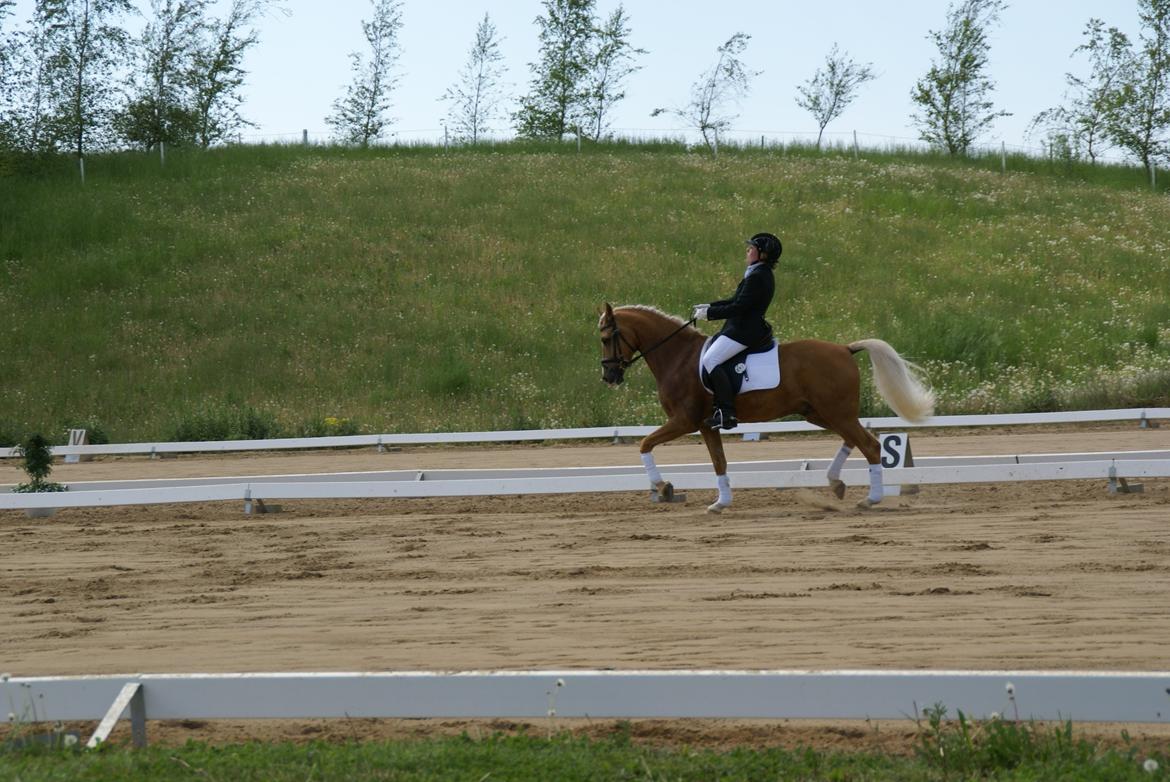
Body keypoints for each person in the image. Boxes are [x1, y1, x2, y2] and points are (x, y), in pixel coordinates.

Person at [692, 232, 782, 430]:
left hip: (744, 331)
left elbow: (738, 307)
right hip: (738, 327)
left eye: (752, 248)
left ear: (763, 255)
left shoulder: (759, 276)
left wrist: (709, 314)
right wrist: (709, 306)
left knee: (710, 360)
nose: (747, 250)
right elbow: (735, 300)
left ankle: (726, 412)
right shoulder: (756, 272)